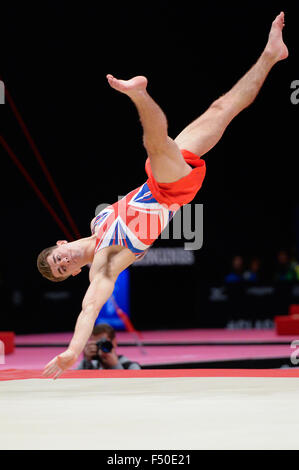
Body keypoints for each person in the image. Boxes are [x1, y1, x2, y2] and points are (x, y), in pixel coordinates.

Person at [38, 12, 288, 378]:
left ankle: (271, 54)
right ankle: (139, 94)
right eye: (64, 269)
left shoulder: (98, 220)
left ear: (62, 243)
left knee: (222, 109)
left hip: (167, 174)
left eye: (59, 256)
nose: (65, 261)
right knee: (154, 148)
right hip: (170, 188)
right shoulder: (107, 264)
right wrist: (73, 350)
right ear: (75, 272)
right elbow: (89, 308)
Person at [77, 323, 141, 370]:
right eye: (96, 344)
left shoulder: (131, 367)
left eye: (103, 343)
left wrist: (115, 365)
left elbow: (128, 386)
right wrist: (86, 361)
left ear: (114, 342)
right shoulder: (92, 365)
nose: (100, 348)